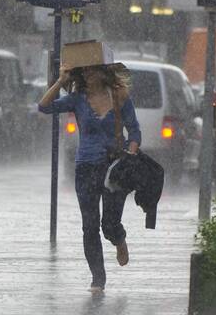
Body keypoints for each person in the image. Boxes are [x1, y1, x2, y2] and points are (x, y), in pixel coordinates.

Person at [38, 63, 141, 294]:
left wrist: (131, 153)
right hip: (85, 168)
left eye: (92, 70)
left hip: (114, 167)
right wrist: (60, 81)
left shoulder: (119, 96)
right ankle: (98, 278)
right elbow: (43, 106)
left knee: (109, 224)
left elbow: (134, 130)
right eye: (83, 71)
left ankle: (119, 239)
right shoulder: (77, 99)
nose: (88, 74)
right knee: (90, 225)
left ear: (104, 72)